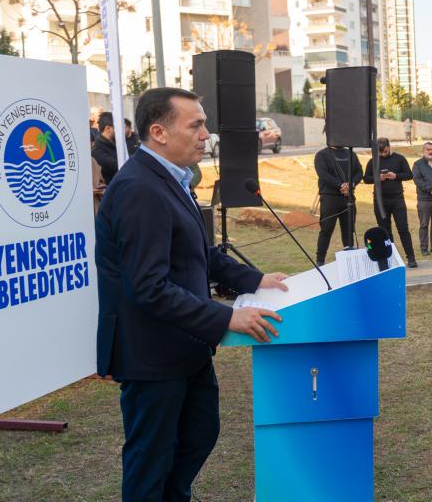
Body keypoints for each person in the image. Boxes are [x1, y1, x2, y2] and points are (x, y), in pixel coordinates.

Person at [95, 88, 290, 501]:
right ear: (159, 132)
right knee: (151, 460)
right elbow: (148, 286)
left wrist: (253, 281)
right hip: (153, 352)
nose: (206, 135)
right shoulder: (139, 189)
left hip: (185, 343)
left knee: (199, 434)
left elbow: (199, 254)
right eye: (196, 125)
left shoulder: (170, 179)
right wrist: (225, 318)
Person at [362, 138, 418, 268]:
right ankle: (390, 260)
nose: (383, 153)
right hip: (380, 201)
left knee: (403, 229)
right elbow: (366, 179)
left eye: (385, 151)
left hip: (397, 199)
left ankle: (411, 258)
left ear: (389, 146)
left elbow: (409, 175)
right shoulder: (373, 161)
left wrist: (396, 176)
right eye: (380, 152)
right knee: (385, 231)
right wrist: (378, 178)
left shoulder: (399, 159)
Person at [313, 140, 363, 265]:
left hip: (348, 198)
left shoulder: (351, 153)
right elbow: (323, 174)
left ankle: (350, 259)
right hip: (330, 198)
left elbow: (359, 172)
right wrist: (340, 185)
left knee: (348, 230)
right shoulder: (322, 155)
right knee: (326, 230)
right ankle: (320, 261)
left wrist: (351, 184)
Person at [91, 112, 122, 185]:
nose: (120, 131)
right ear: (107, 128)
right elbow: (120, 166)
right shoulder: (97, 151)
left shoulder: (116, 145)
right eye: (117, 127)